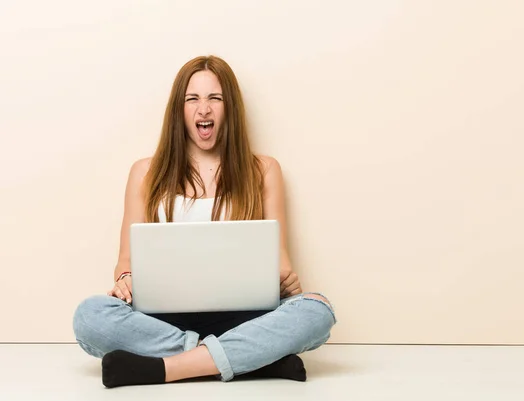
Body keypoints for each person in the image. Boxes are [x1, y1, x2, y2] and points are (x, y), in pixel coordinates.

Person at [72, 55, 336, 388]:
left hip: (245, 317)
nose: (204, 109)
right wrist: (125, 279)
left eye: (215, 98)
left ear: (230, 108)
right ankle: (247, 361)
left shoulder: (264, 170)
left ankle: (168, 368)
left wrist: (287, 281)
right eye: (192, 99)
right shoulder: (144, 172)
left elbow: (280, 264)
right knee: (89, 315)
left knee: (318, 310)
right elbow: (125, 264)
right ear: (178, 110)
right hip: (163, 319)